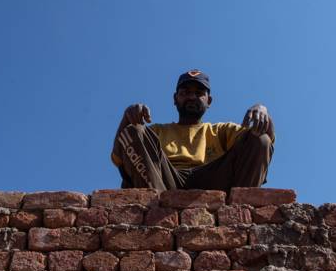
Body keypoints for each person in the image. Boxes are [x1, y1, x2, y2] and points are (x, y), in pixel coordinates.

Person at [111, 70, 274, 192]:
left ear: (209, 101)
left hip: (213, 182)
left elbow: (260, 143)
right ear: (175, 99)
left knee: (261, 140)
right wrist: (127, 118)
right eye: (185, 92)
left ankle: (241, 208)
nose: (191, 97)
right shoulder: (156, 131)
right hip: (164, 182)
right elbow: (119, 158)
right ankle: (155, 207)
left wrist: (262, 110)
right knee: (135, 131)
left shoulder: (221, 131)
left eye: (199, 93)